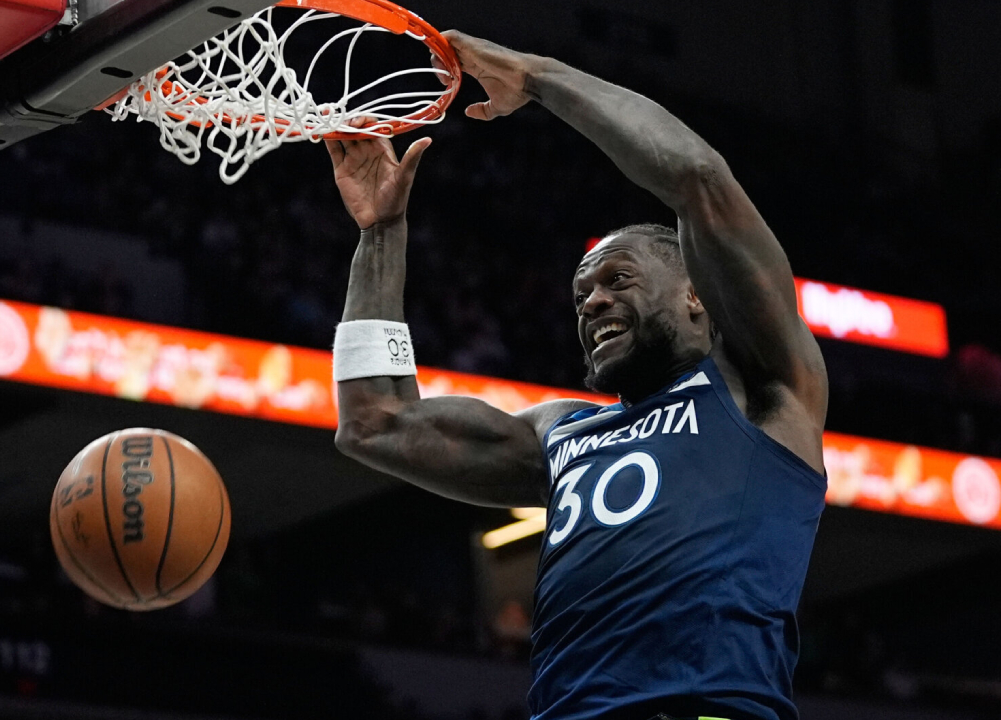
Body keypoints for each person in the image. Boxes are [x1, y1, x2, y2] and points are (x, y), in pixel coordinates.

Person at [327, 30, 828, 720]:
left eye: (618, 278)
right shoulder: (560, 434)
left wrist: (536, 77)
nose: (591, 301)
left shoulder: (761, 391)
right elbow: (373, 424)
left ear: (695, 295)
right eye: (581, 294)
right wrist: (380, 237)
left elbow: (698, 180)